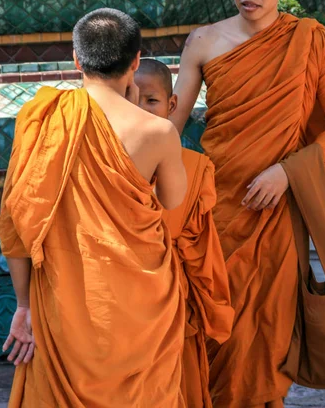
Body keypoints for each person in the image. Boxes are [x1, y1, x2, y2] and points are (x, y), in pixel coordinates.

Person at [170, 0, 325, 407]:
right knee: (214, 331)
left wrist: (286, 172)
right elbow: (167, 130)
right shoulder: (204, 41)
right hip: (217, 212)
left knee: (268, 338)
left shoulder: (308, 39)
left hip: (278, 214)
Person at [0, 8, 187, 408]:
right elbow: (173, 200)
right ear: (136, 61)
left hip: (66, 305)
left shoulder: (43, 118)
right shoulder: (158, 131)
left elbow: (16, 220)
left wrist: (25, 306)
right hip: (143, 304)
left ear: (76, 60)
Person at [135, 58, 234, 408]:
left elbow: (200, 247)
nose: (141, 110)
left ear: (172, 105)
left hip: (175, 301)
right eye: (131, 99)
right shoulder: (103, 162)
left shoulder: (193, 168)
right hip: (121, 296)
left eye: (151, 101)